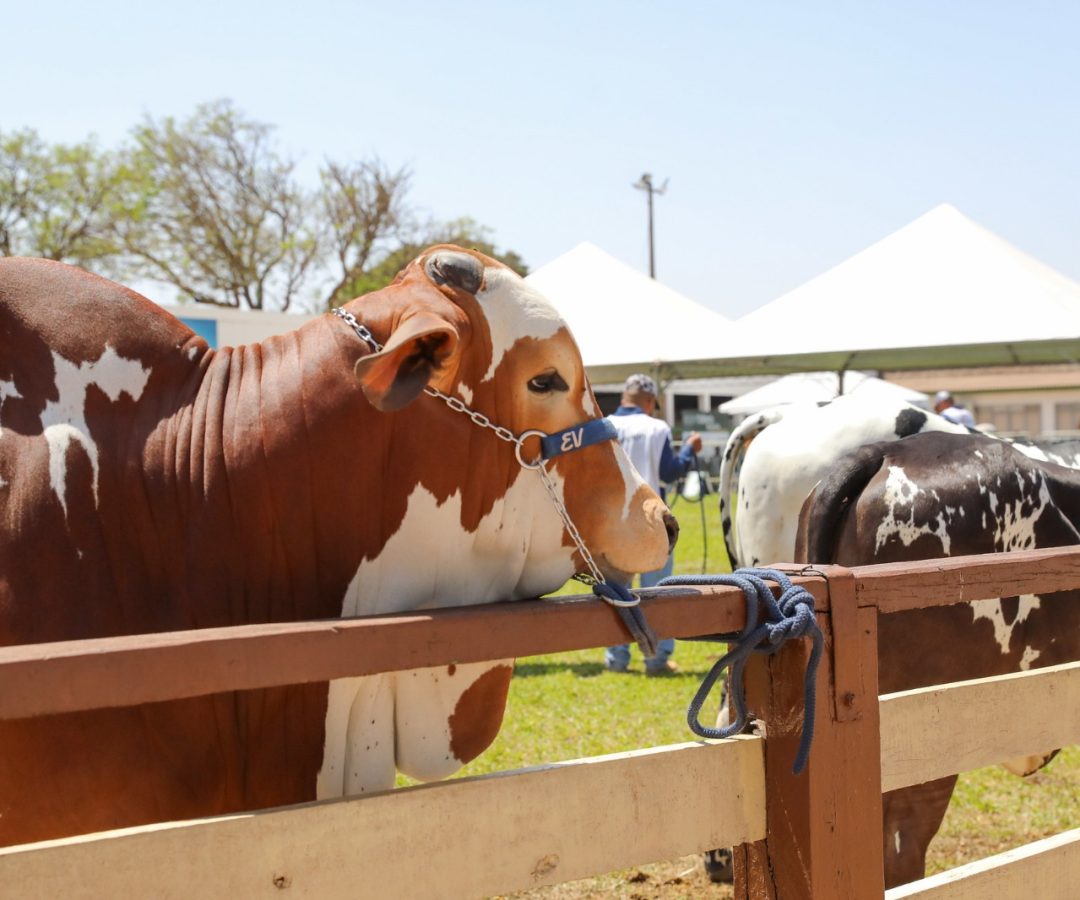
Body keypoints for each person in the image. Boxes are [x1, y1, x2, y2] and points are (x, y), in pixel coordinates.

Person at [604, 373, 703, 675]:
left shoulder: (606, 425)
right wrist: (689, 450)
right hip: (651, 520)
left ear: (625, 397)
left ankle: (617, 658)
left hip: (614, 520)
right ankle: (656, 658)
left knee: (617, 593)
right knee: (657, 592)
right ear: (649, 402)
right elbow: (671, 472)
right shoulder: (657, 427)